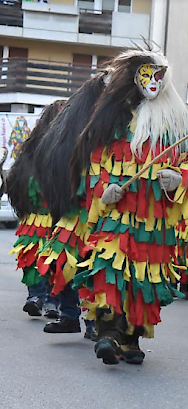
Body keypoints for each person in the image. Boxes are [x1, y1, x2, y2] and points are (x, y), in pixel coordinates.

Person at [70, 48, 188, 365]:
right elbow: (93, 167)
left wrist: (178, 179)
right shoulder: (111, 122)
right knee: (109, 272)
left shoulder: (175, 128)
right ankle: (107, 333)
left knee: (143, 282)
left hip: (153, 223)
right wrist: (105, 190)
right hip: (115, 220)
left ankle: (130, 339)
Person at [33, 68, 112, 340]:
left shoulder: (116, 127)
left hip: (102, 212)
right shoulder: (72, 126)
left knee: (94, 266)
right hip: (74, 210)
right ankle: (69, 315)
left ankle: (93, 321)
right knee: (63, 261)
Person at [7, 101, 63, 318]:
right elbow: (17, 178)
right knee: (32, 258)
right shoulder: (32, 149)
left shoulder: (68, 149)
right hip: (35, 216)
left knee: (55, 261)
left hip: (58, 220)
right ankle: (36, 296)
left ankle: (51, 300)